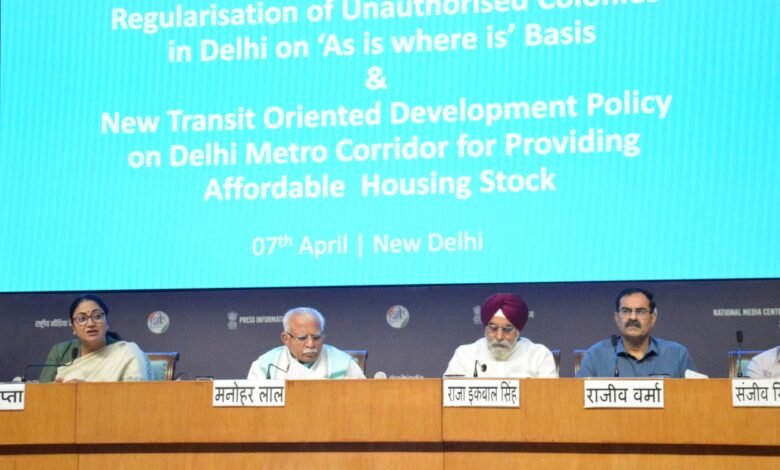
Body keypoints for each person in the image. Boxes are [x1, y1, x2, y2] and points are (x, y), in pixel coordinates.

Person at [576, 287, 697, 378]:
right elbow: (577, 399)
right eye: (626, 311)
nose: (633, 317)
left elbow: (697, 397)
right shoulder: (596, 356)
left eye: (640, 311)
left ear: (652, 318)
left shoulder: (677, 355)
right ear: (616, 318)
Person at [40, 294, 152, 382]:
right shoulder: (60, 351)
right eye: (82, 318)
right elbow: (42, 392)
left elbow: (135, 394)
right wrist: (57, 389)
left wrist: (87, 390)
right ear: (73, 327)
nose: (90, 323)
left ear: (107, 322)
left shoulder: (127, 352)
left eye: (97, 316)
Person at [444, 293, 558, 378]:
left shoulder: (539, 356)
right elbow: (447, 395)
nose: (499, 337)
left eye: (507, 329)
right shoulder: (464, 355)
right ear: (485, 328)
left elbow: (550, 397)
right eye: (493, 328)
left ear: (518, 330)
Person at [247, 307, 365, 380]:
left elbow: (362, 401)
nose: (310, 344)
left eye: (316, 337)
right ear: (285, 338)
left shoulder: (344, 365)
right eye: (302, 338)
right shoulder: (265, 366)